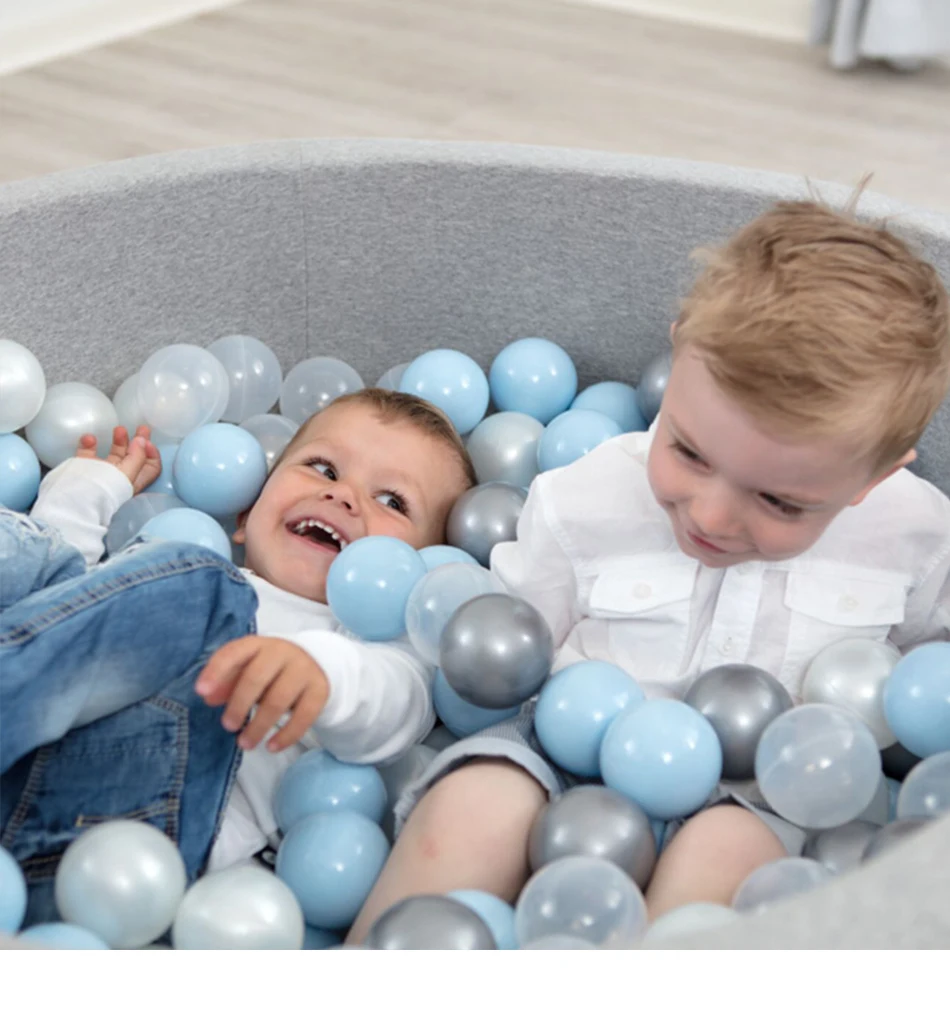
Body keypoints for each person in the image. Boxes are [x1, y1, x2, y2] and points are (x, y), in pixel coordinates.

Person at [347, 198, 950, 941]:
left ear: (873, 478)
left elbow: (928, 684)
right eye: (689, 452)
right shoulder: (580, 501)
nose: (712, 516)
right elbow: (510, 657)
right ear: (679, 350)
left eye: (780, 502)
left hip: (764, 794)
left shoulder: (917, 537)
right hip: (562, 754)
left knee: (726, 861)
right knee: (475, 807)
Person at [1, 388, 475, 926]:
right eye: (323, 468)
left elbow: (397, 701)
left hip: (129, 844)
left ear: (422, 573)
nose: (343, 495)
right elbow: (58, 616)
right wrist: (86, 491)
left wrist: (320, 669)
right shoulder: (177, 575)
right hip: (28, 744)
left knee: (204, 587)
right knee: (56, 565)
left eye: (392, 501)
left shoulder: (377, 647)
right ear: (247, 515)